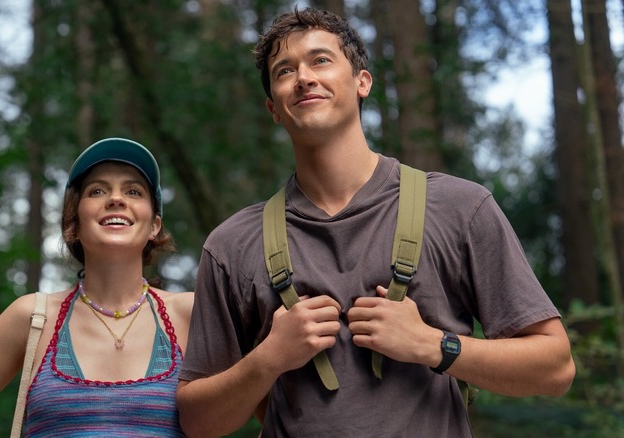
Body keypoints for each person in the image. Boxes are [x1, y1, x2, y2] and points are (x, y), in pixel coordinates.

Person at [176, 7, 575, 438]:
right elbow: (197, 422)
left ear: (362, 82)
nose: (304, 77)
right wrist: (269, 357)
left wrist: (431, 344)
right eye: (285, 71)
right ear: (273, 107)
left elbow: (555, 368)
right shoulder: (232, 244)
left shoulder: (459, 207)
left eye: (320, 60)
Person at [0, 137, 193, 437]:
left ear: (154, 226)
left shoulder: (191, 314)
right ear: (75, 224)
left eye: (133, 191)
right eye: (97, 191)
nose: (116, 199)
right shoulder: (33, 317)